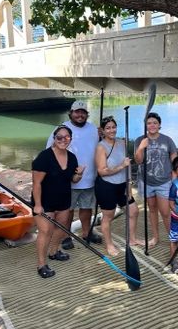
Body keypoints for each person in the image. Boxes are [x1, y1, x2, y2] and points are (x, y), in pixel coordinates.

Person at [32, 125, 85, 278]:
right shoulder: (44, 157)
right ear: (54, 139)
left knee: (61, 228)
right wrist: (37, 204)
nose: (63, 140)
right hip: (44, 201)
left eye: (66, 137)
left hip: (63, 199)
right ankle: (41, 264)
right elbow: (36, 183)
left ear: (70, 139)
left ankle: (53, 252)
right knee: (46, 231)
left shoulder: (72, 157)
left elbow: (73, 180)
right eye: (59, 137)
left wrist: (79, 175)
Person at [46, 100, 100, 249]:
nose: (80, 114)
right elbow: (49, 151)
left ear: (87, 114)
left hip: (89, 178)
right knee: (67, 210)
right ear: (71, 112)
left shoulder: (94, 129)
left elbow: (102, 148)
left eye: (83, 112)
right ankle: (65, 235)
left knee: (86, 208)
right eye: (77, 111)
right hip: (68, 180)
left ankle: (86, 232)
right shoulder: (61, 129)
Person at [95, 116, 143, 256]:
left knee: (133, 211)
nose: (111, 130)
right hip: (106, 186)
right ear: (103, 131)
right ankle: (109, 244)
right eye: (108, 128)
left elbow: (127, 166)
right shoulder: (101, 147)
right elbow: (102, 171)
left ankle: (132, 239)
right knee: (108, 216)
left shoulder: (122, 143)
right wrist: (121, 166)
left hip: (122, 185)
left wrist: (129, 187)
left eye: (113, 127)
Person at [134, 112, 177, 247]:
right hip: (147, 182)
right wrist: (141, 147)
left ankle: (173, 239)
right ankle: (155, 237)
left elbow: (174, 159)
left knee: (165, 212)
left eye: (155, 123)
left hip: (164, 182)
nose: (152, 125)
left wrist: (175, 178)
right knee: (152, 209)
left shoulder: (167, 140)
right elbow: (138, 161)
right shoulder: (140, 140)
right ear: (145, 125)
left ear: (159, 125)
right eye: (149, 123)